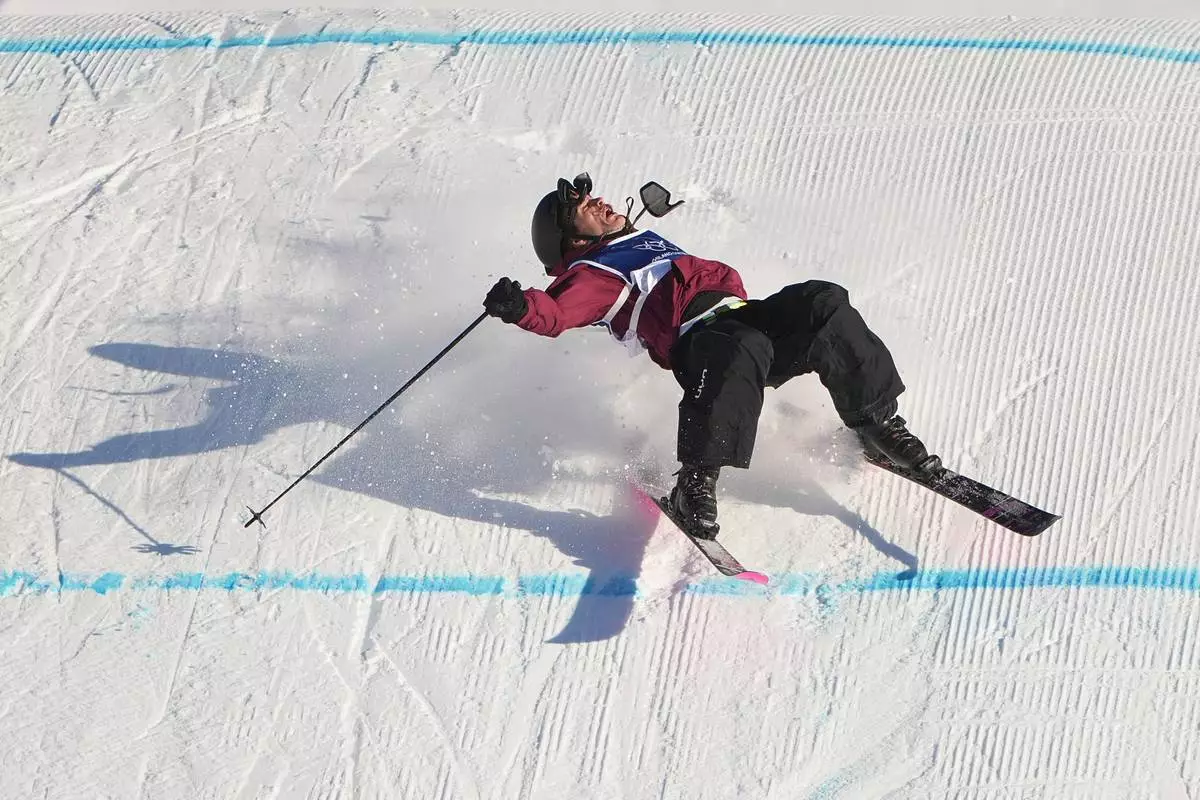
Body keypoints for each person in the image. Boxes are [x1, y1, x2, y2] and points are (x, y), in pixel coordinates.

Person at [483, 173, 939, 540]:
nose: (599, 201)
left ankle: (875, 423)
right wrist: (521, 306)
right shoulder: (591, 273)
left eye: (593, 196)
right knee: (740, 346)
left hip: (748, 317)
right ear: (573, 241)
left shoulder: (635, 239)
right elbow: (556, 313)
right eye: (585, 208)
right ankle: (695, 481)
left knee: (823, 301)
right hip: (704, 344)